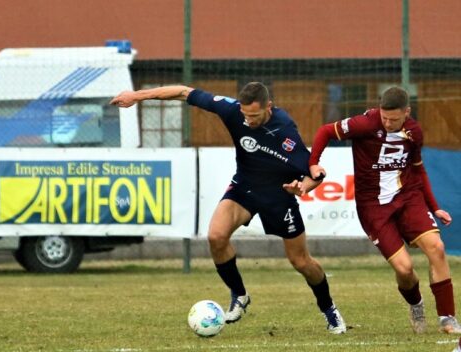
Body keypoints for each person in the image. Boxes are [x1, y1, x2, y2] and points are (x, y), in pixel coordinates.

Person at [110, 82, 347, 334]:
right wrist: (136, 96)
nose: (249, 121)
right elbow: (183, 92)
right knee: (216, 236)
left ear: (269, 107)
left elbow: (313, 173)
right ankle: (240, 295)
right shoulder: (232, 110)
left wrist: (302, 187)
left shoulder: (285, 130)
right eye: (246, 115)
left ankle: (329, 309)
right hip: (244, 187)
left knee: (301, 262)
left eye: (254, 116)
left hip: (279, 197)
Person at [304, 86, 461, 334]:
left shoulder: (414, 131)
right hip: (373, 207)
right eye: (385, 117)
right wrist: (313, 164)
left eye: (394, 119)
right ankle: (416, 304)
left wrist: (435, 208)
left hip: (408, 198)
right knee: (404, 269)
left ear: (407, 112)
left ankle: (447, 318)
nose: (388, 123)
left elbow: (418, 170)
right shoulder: (365, 124)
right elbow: (325, 131)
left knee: (437, 248)